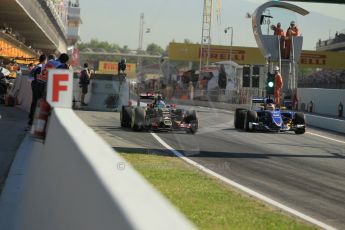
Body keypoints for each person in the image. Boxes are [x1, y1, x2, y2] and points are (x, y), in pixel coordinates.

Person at [27, 54, 47, 127]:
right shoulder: (43, 67)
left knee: (34, 102)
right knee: (38, 103)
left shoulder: (36, 66)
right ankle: (34, 120)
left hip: (34, 85)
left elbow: (29, 77)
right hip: (40, 86)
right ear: (45, 60)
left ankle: (30, 118)